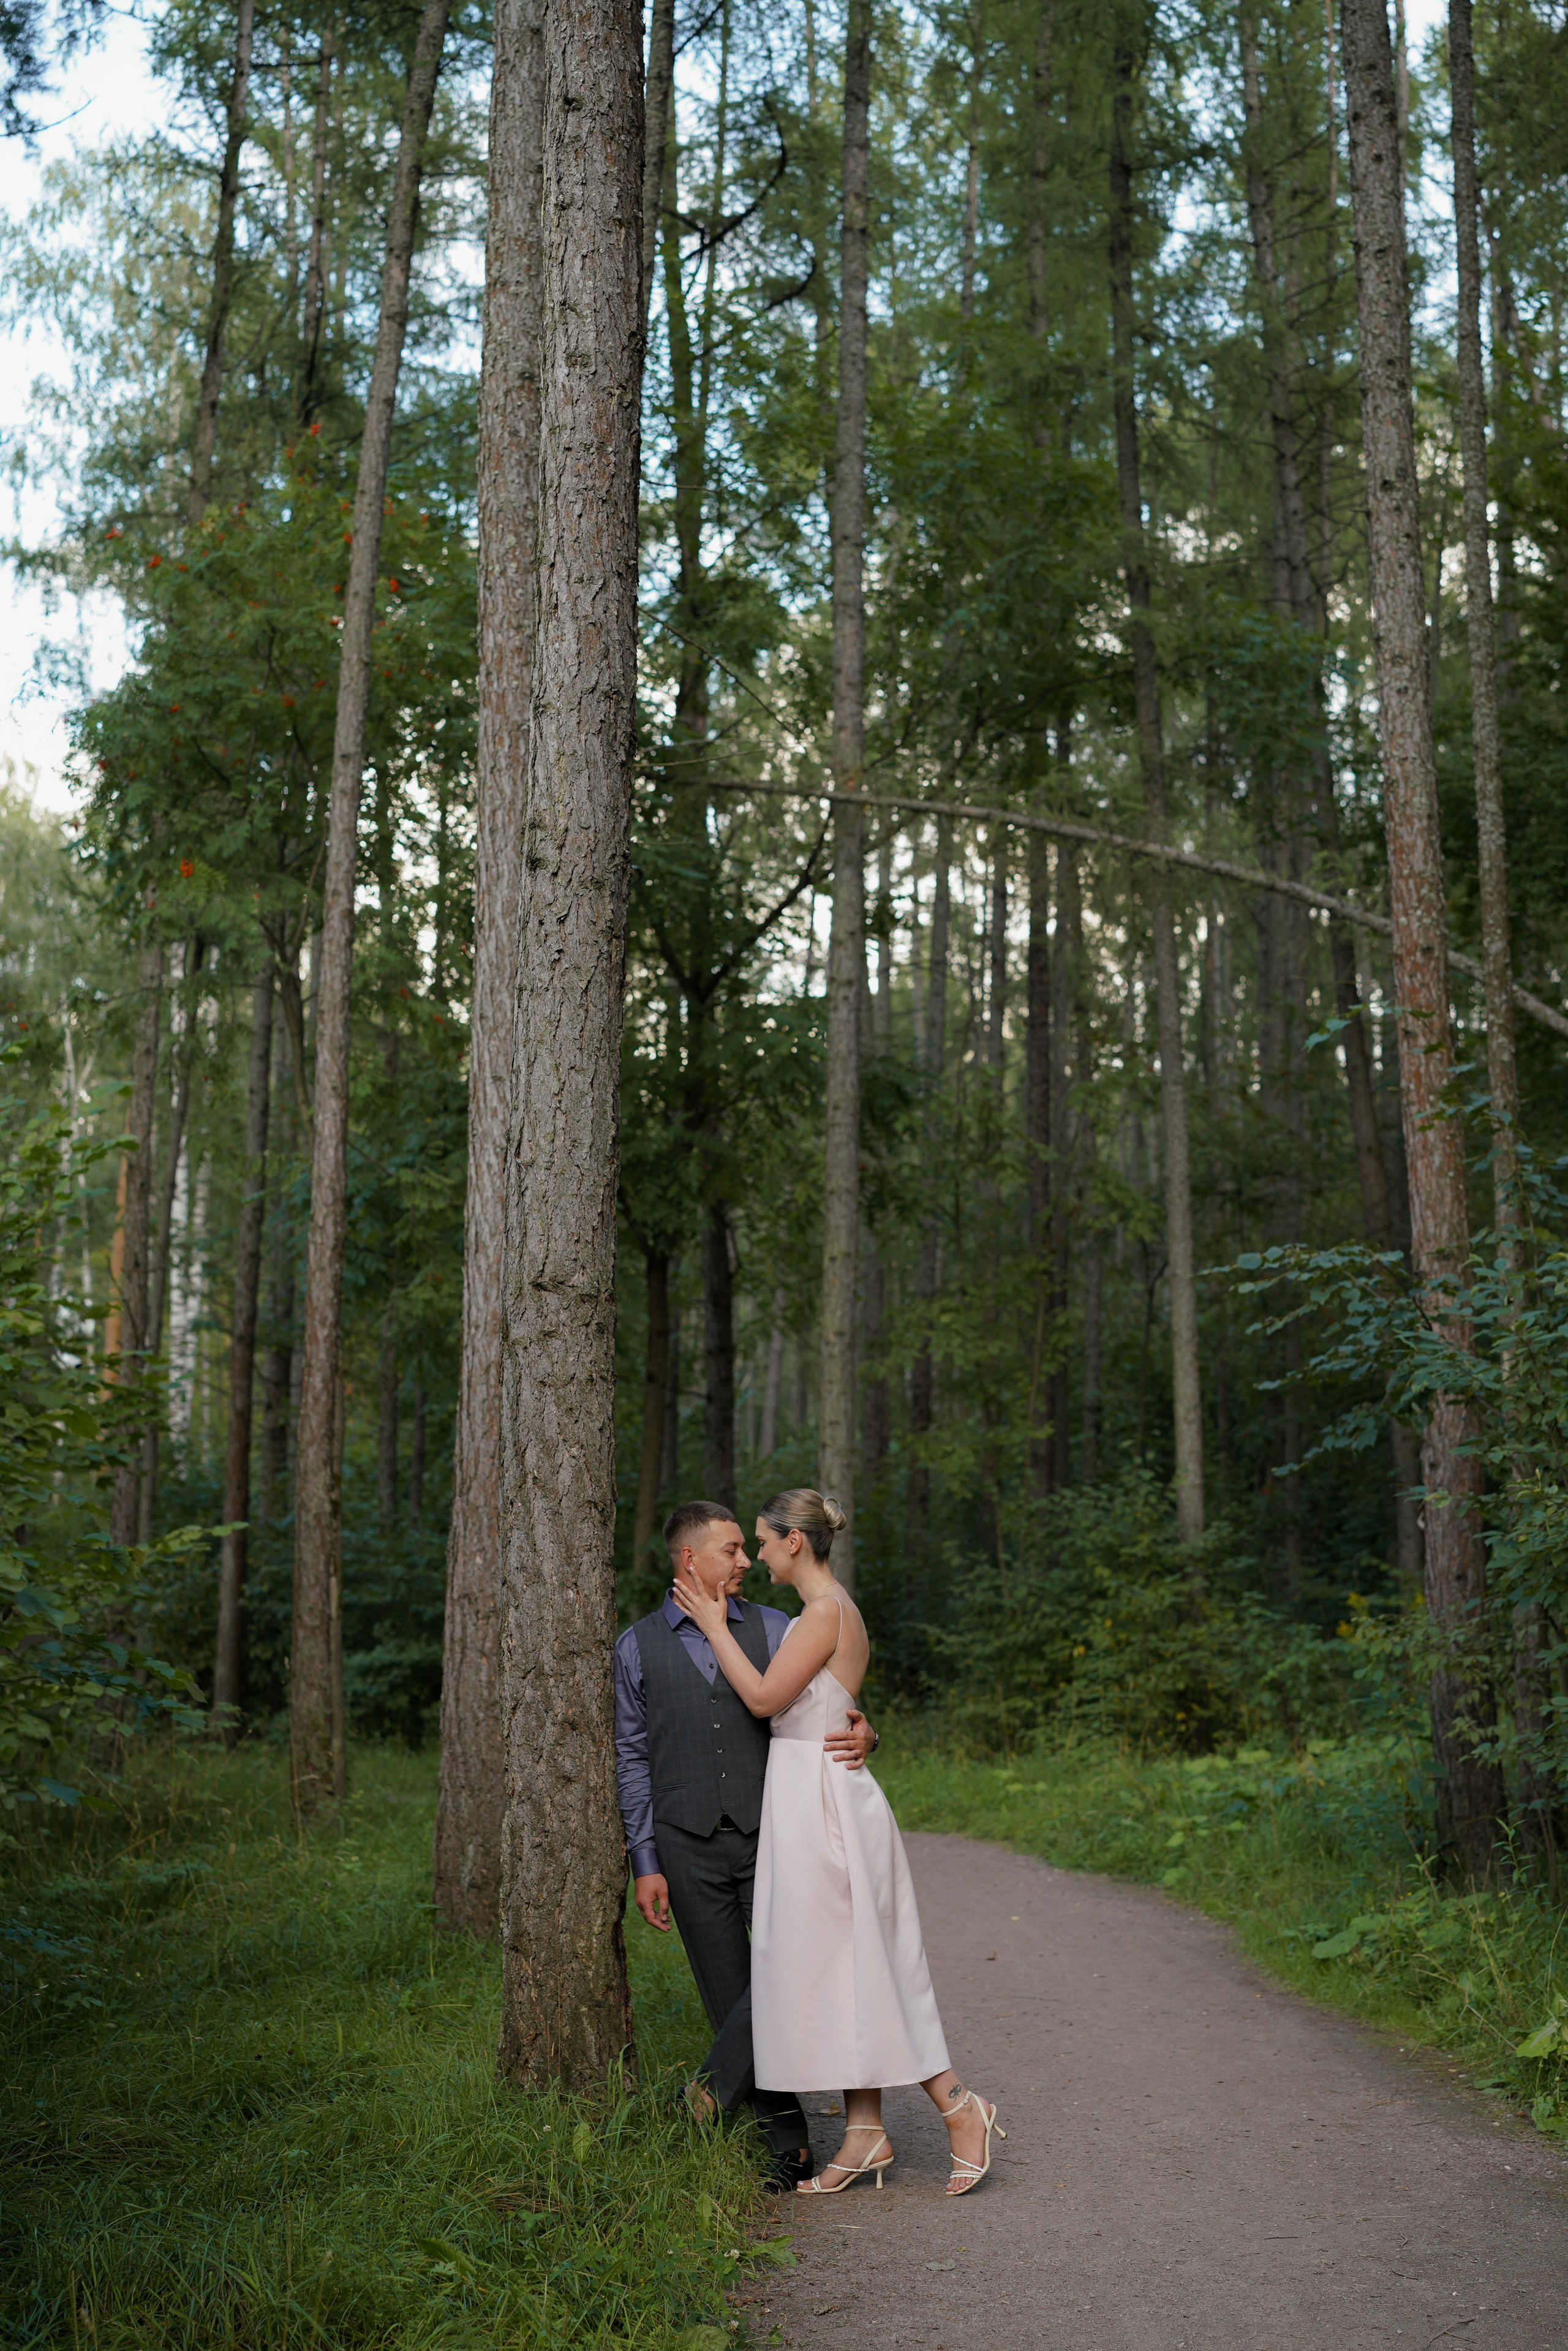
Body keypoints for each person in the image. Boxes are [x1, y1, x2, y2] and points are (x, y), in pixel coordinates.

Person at [672, 1487, 1005, 2198]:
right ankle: (863, 2131)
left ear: (795, 1541)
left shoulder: (824, 1613)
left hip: (823, 1804)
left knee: (864, 1964)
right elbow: (831, 1706)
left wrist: (711, 1622)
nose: (756, 1555)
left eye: (762, 1541)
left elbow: (765, 1701)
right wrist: (866, 1727)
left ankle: (957, 2105)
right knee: (850, 1964)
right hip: (810, 1794)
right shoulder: (819, 1613)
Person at [614, 1499, 879, 2191]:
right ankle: (785, 2146)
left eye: (746, 1547)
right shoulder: (636, 1645)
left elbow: (827, 1699)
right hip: (684, 1841)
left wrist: (865, 1730)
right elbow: (632, 1756)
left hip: (777, 1833)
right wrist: (645, 1861)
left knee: (790, 1972)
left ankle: (704, 2093)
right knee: (729, 1988)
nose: (744, 1562)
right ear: (688, 1560)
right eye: (730, 1551)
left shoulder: (775, 1625)